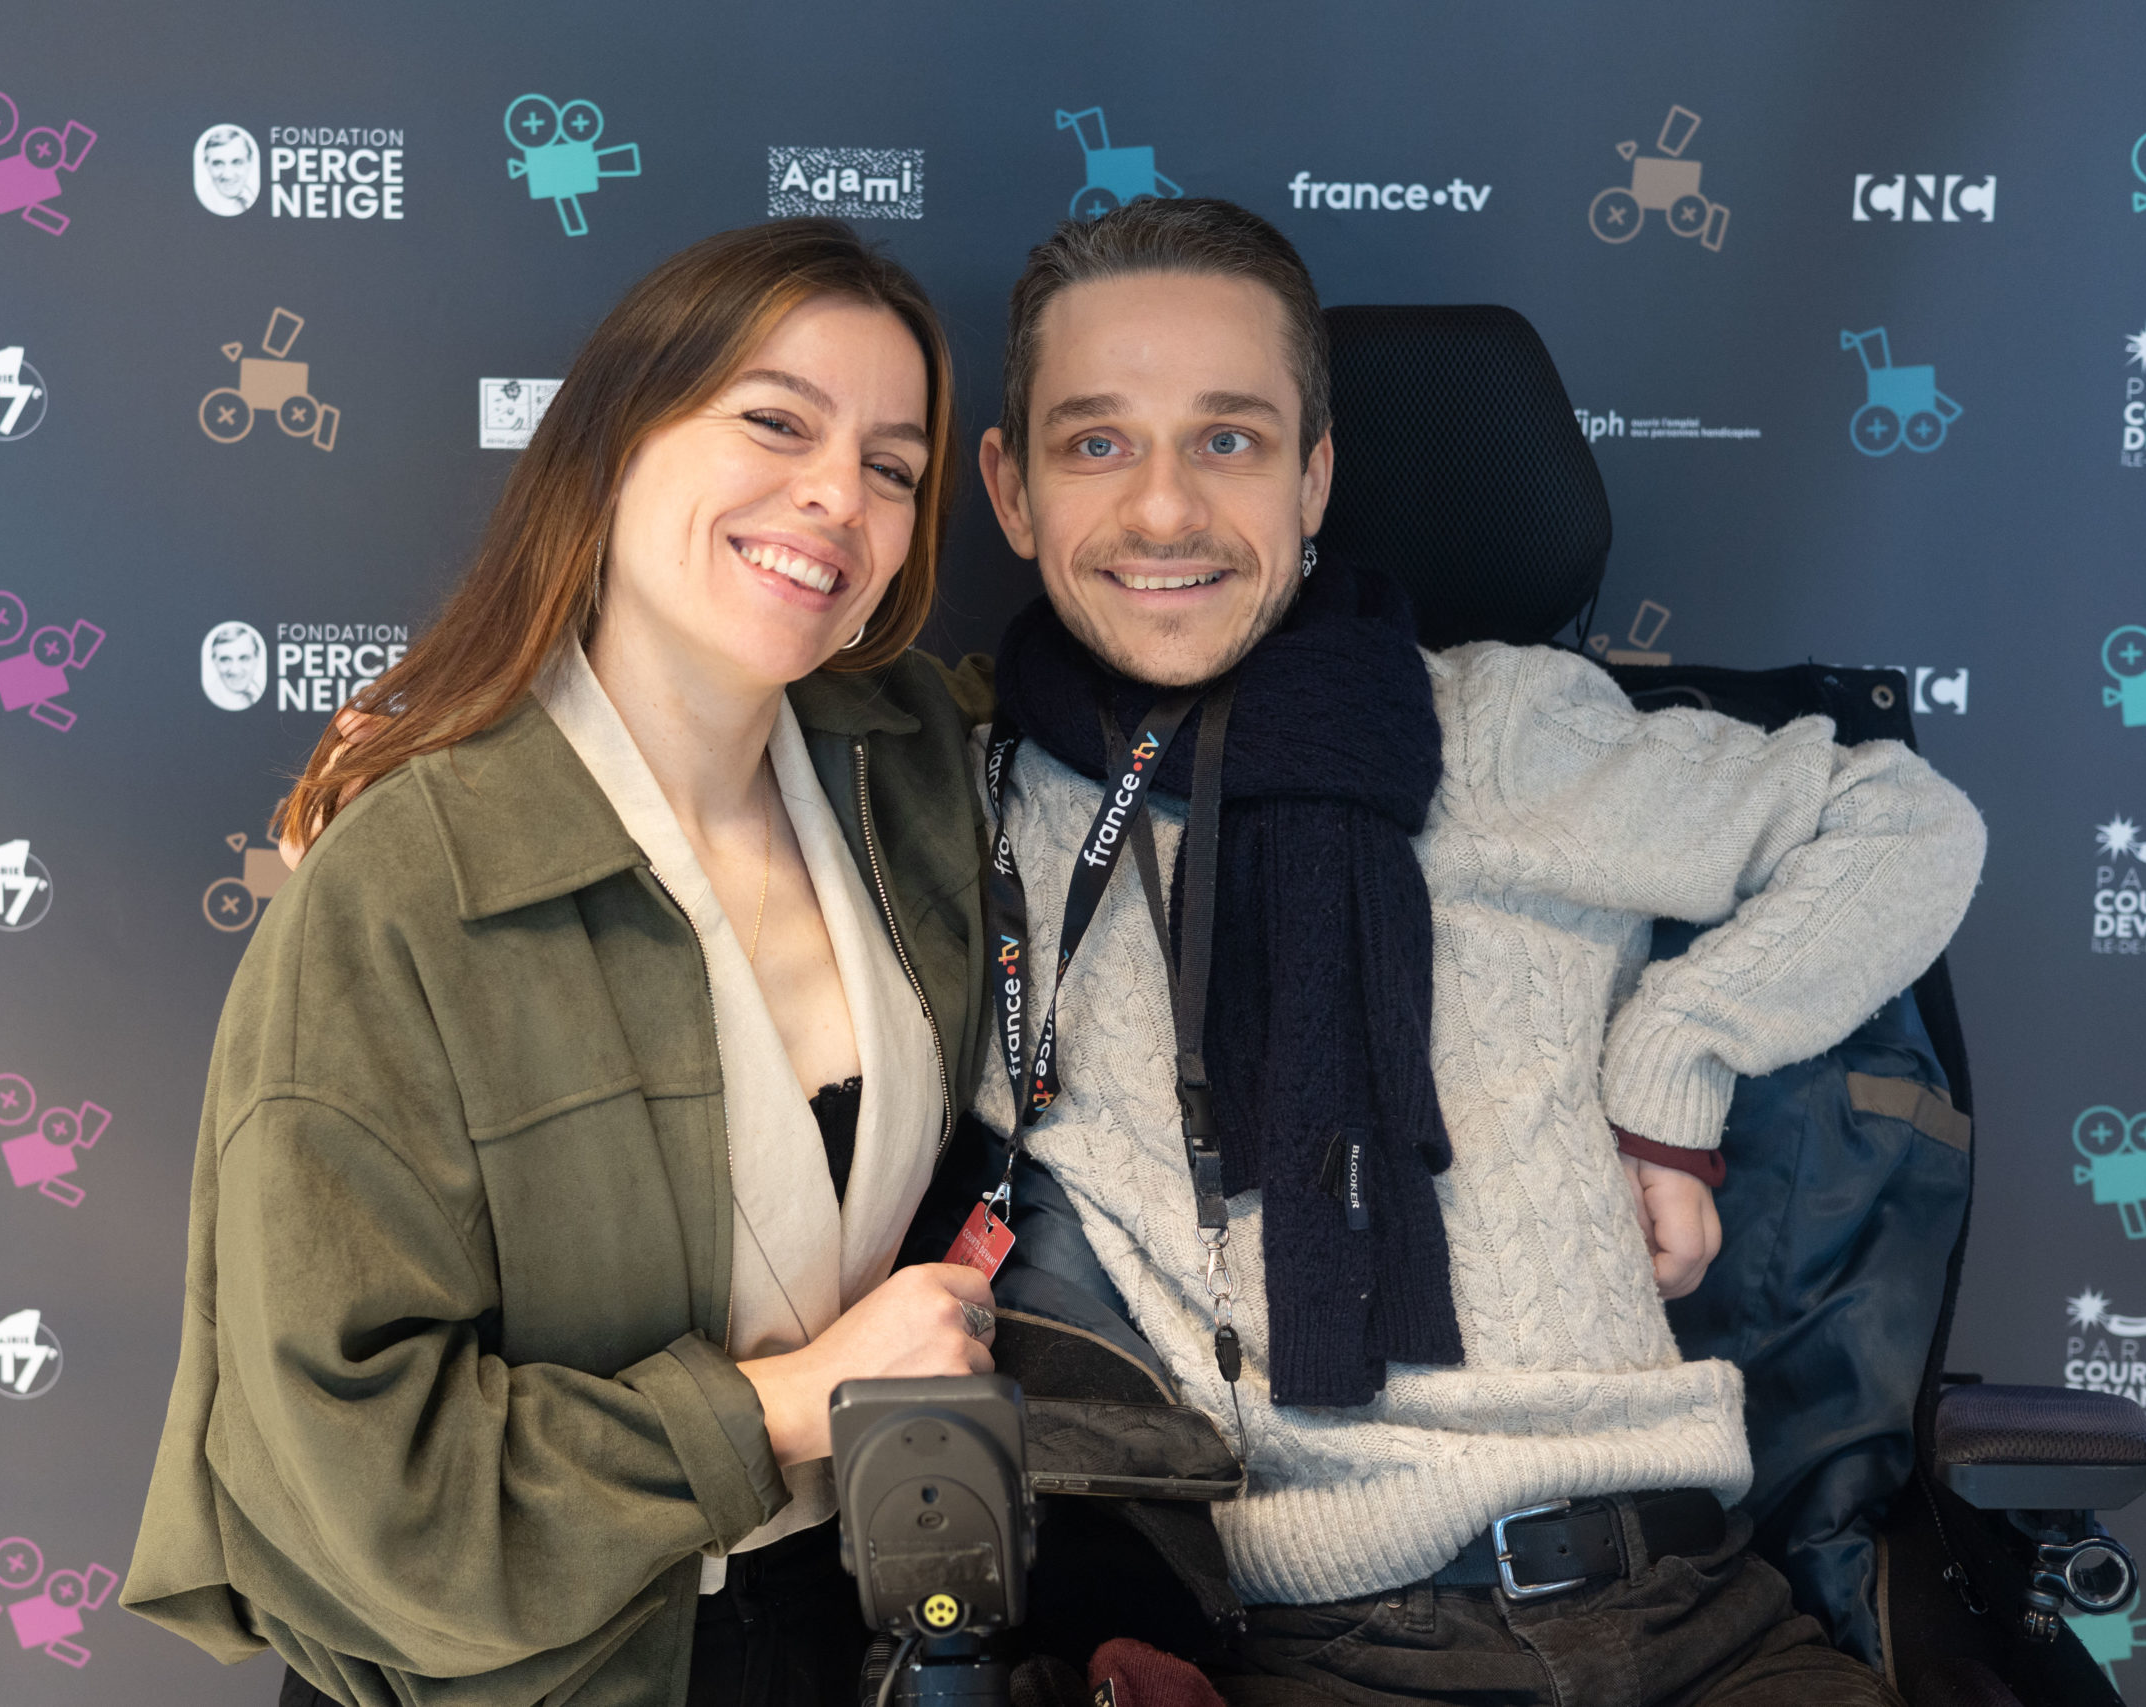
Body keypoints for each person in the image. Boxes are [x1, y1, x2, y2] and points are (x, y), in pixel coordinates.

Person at [948, 199, 1985, 1705]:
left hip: (1695, 1604)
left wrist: (1673, 1062)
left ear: (1315, 477)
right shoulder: (971, 822)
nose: (1165, 510)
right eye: (1097, 443)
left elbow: (1903, 824)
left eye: (1230, 440)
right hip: (1336, 1642)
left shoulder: (1497, 726)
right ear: (1010, 487)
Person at [123, 221, 1002, 1707]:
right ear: (611, 441)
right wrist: (784, 1406)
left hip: (832, 1636)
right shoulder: (403, 886)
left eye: (894, 467)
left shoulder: (905, 772)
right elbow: (370, 1482)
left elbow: (1138, 668)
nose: (837, 497)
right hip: (526, 1676)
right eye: (775, 421)